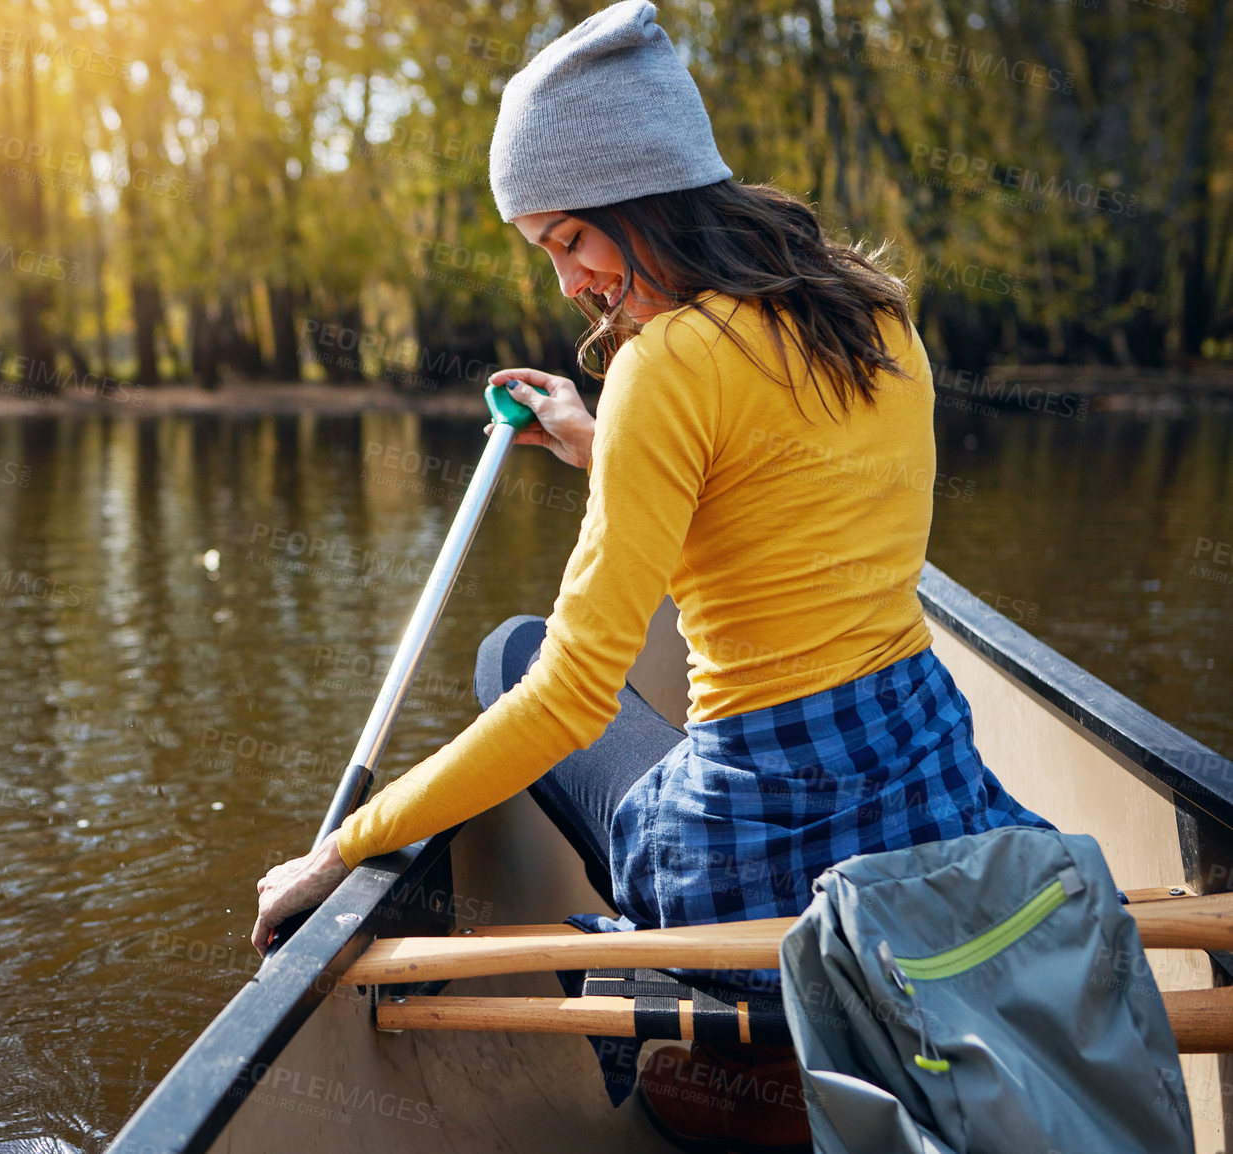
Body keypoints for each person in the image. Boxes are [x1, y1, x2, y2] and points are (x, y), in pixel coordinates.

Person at [251, 2, 1053, 1149]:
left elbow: (573, 693)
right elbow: (787, 502)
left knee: (513, 654)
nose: (570, 280)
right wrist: (600, 442)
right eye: (548, 251)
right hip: (926, 797)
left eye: (570, 238)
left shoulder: (664, 366)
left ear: (644, 195)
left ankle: (743, 1035)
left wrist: (342, 846)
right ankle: (797, 1033)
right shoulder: (875, 313)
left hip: (757, 853)